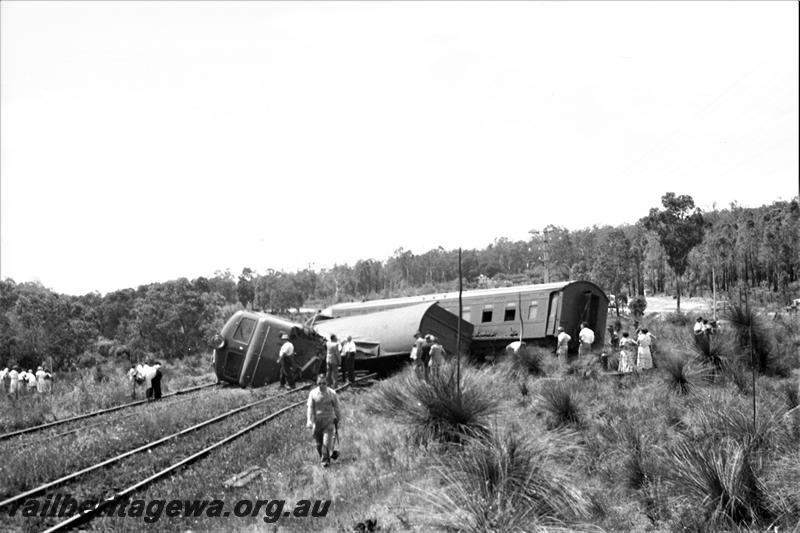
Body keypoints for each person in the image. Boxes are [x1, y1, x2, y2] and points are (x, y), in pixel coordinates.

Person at [306, 374, 342, 468]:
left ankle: (325, 463)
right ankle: (324, 457)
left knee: (326, 443)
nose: (322, 385)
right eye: (319, 383)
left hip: (329, 421)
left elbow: (337, 408)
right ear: (317, 383)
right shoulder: (313, 393)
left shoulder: (332, 393)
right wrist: (309, 420)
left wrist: (339, 420)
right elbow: (310, 408)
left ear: (327, 383)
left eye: (324, 383)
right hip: (317, 422)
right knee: (319, 444)